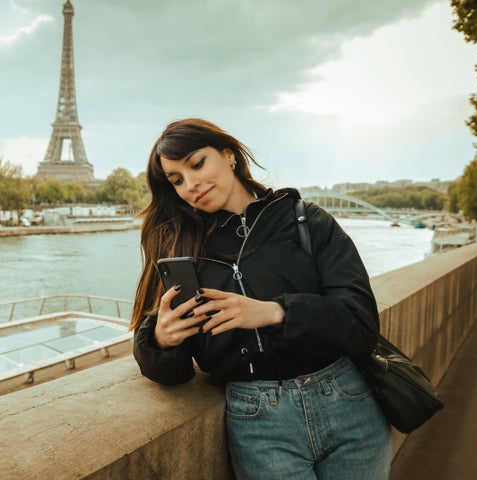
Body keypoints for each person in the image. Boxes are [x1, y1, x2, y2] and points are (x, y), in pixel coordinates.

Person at [131, 118, 392, 480]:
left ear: (228, 155)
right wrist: (162, 340)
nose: (191, 185)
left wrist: (275, 311)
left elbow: (361, 322)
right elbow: (173, 374)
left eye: (197, 163)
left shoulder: (306, 221)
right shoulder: (185, 250)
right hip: (259, 422)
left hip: (349, 404)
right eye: (176, 180)